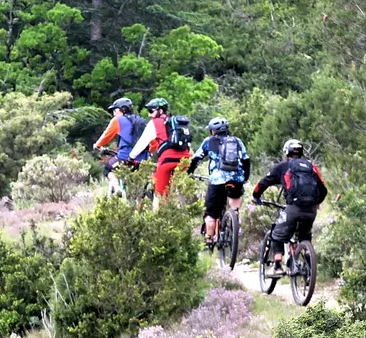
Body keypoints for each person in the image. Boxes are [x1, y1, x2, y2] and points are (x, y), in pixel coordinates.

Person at [252, 138, 327, 271]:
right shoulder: (311, 167)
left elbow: (264, 182)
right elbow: (323, 189)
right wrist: (317, 203)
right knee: (305, 236)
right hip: (311, 211)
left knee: (277, 233)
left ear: (287, 152)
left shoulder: (283, 166)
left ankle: (277, 266)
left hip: (293, 209)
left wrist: (256, 196)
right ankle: (309, 265)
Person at [189, 117, 249, 245]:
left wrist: (189, 172)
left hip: (217, 179)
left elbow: (196, 158)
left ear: (213, 131)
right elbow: (246, 160)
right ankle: (234, 221)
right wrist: (245, 177)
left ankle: (209, 238)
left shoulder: (209, 141)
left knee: (211, 212)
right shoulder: (237, 141)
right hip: (236, 178)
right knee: (235, 201)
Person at [132, 97, 193, 204]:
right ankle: (184, 211)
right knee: (181, 190)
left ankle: (159, 216)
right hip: (185, 159)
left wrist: (131, 157)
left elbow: (141, 144)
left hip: (167, 160)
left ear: (160, 111)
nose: (149, 114)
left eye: (151, 111)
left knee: (159, 193)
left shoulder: (155, 123)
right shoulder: (176, 123)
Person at [91, 98, 145, 183]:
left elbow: (106, 136)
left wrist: (97, 145)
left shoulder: (118, 120)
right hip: (143, 160)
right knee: (139, 182)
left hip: (125, 158)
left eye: (115, 110)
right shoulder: (140, 121)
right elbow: (152, 143)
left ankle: (117, 189)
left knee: (108, 169)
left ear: (122, 110)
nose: (114, 113)